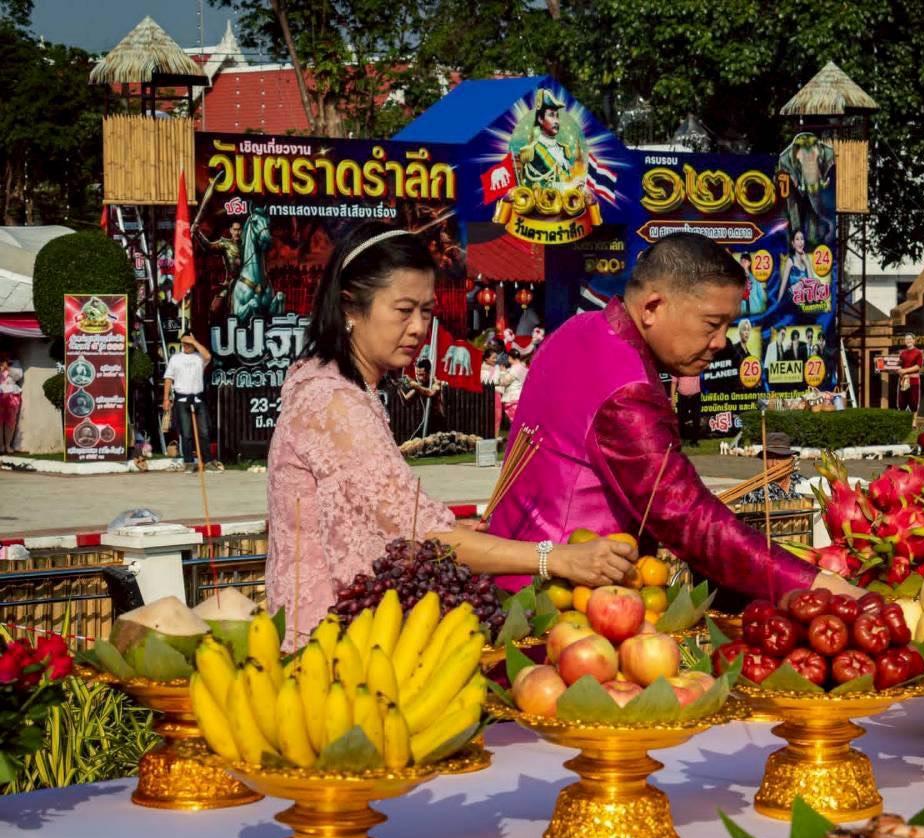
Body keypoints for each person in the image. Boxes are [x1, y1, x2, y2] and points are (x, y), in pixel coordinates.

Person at [265, 223, 634, 643]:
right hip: (329, 653)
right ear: (350, 307)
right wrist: (557, 558)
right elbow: (421, 540)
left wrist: (454, 532)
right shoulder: (335, 405)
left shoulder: (333, 385)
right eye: (404, 311)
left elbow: (395, 521)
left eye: (426, 311)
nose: (419, 328)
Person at [488, 232, 861, 602]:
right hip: (563, 601)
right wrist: (811, 586)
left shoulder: (580, 328)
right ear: (652, 307)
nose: (720, 341)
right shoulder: (626, 387)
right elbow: (686, 517)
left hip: (520, 576)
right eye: (711, 324)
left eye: (727, 326)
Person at [163, 334, 223, 473]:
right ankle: (189, 462)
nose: (186, 346)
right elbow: (168, 379)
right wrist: (166, 398)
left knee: (204, 431)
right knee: (186, 433)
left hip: (197, 398)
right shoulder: (175, 358)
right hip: (182, 399)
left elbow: (208, 356)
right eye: (184, 343)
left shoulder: (199, 357)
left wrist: (195, 341)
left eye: (189, 343)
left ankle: (207, 461)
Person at [496, 347, 529, 426]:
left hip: (513, 398)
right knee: (520, 421)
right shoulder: (524, 369)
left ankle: (516, 438)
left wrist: (502, 372)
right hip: (521, 397)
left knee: (515, 422)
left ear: (510, 357)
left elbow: (504, 382)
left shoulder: (514, 369)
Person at [0, 354, 22, 454]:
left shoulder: (15, 362)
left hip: (12, 395)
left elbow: (18, 376)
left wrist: (8, 367)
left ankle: (8, 445)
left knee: (10, 422)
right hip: (1, 394)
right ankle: (1, 446)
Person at [897, 332, 923, 413]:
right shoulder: (902, 353)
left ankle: (914, 423)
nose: (908, 341)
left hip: (913, 381)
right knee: (901, 403)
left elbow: (918, 366)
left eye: (910, 339)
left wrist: (905, 371)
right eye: (906, 339)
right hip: (903, 381)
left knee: (914, 403)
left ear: (914, 341)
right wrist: (899, 370)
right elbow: (899, 365)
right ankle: (902, 422)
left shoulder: (918, 352)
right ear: (904, 341)